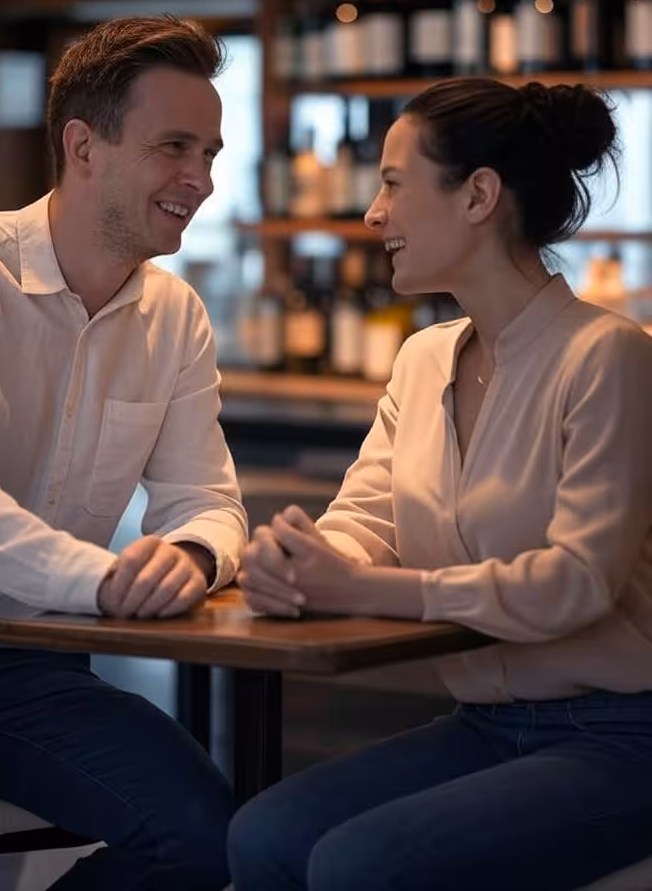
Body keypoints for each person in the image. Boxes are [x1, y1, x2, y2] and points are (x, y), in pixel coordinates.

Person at [229, 78, 652, 891]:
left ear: (479, 196)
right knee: (262, 834)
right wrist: (304, 560)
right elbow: (366, 521)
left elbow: (578, 582)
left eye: (393, 183)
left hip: (623, 732)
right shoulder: (423, 360)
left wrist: (367, 588)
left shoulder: (608, 357)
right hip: (484, 726)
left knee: (359, 865)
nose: (372, 214)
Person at [0, 15, 247, 890]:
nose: (200, 180)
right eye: (174, 147)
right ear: (83, 146)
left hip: (30, 675)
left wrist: (191, 554)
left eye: (210, 154)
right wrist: (103, 581)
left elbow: (207, 499)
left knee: (206, 839)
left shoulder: (175, 315)